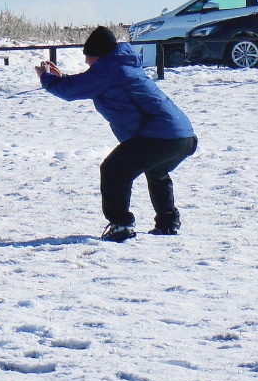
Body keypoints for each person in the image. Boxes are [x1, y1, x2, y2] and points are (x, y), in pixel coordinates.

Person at [37, 26, 197, 242]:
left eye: (89, 57)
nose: (86, 62)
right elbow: (88, 83)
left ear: (99, 55)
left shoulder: (109, 70)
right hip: (183, 136)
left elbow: (72, 90)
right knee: (156, 170)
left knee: (114, 170)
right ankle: (168, 222)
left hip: (161, 134)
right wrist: (63, 77)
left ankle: (121, 225)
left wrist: (47, 79)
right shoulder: (122, 65)